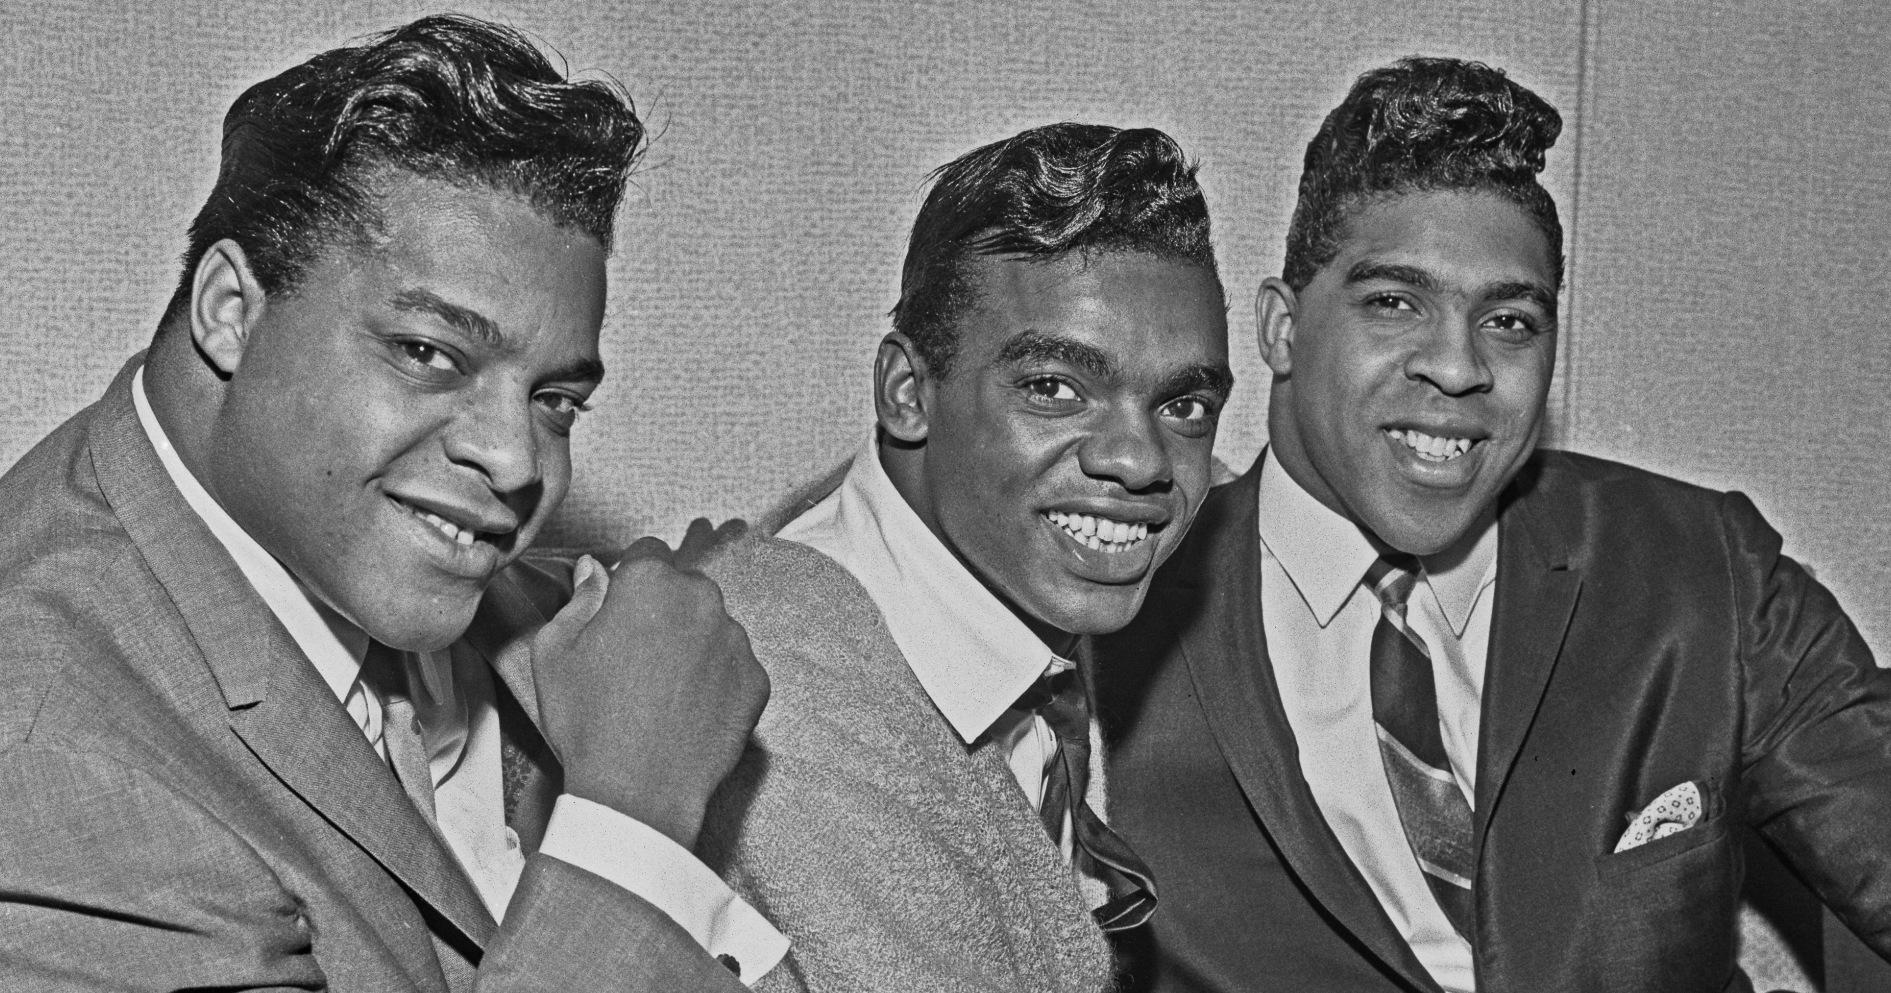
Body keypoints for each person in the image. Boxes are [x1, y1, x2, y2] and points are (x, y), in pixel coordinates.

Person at [0, 15, 783, 990]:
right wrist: (632, 816)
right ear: (230, 313)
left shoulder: (534, 622)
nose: (512, 460)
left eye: (555, 402)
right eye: (428, 353)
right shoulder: (53, 767)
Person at [1094, 55, 1891, 993]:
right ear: (1279, 328)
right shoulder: (1110, 605)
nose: (1458, 367)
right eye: (1394, 302)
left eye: (1509, 321)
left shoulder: (1700, 567)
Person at [697, 122, 1234, 992]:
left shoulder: (990, 556)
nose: (1139, 461)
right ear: (908, 393)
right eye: (1055, 388)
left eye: (1184, 406)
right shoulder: (784, 739)